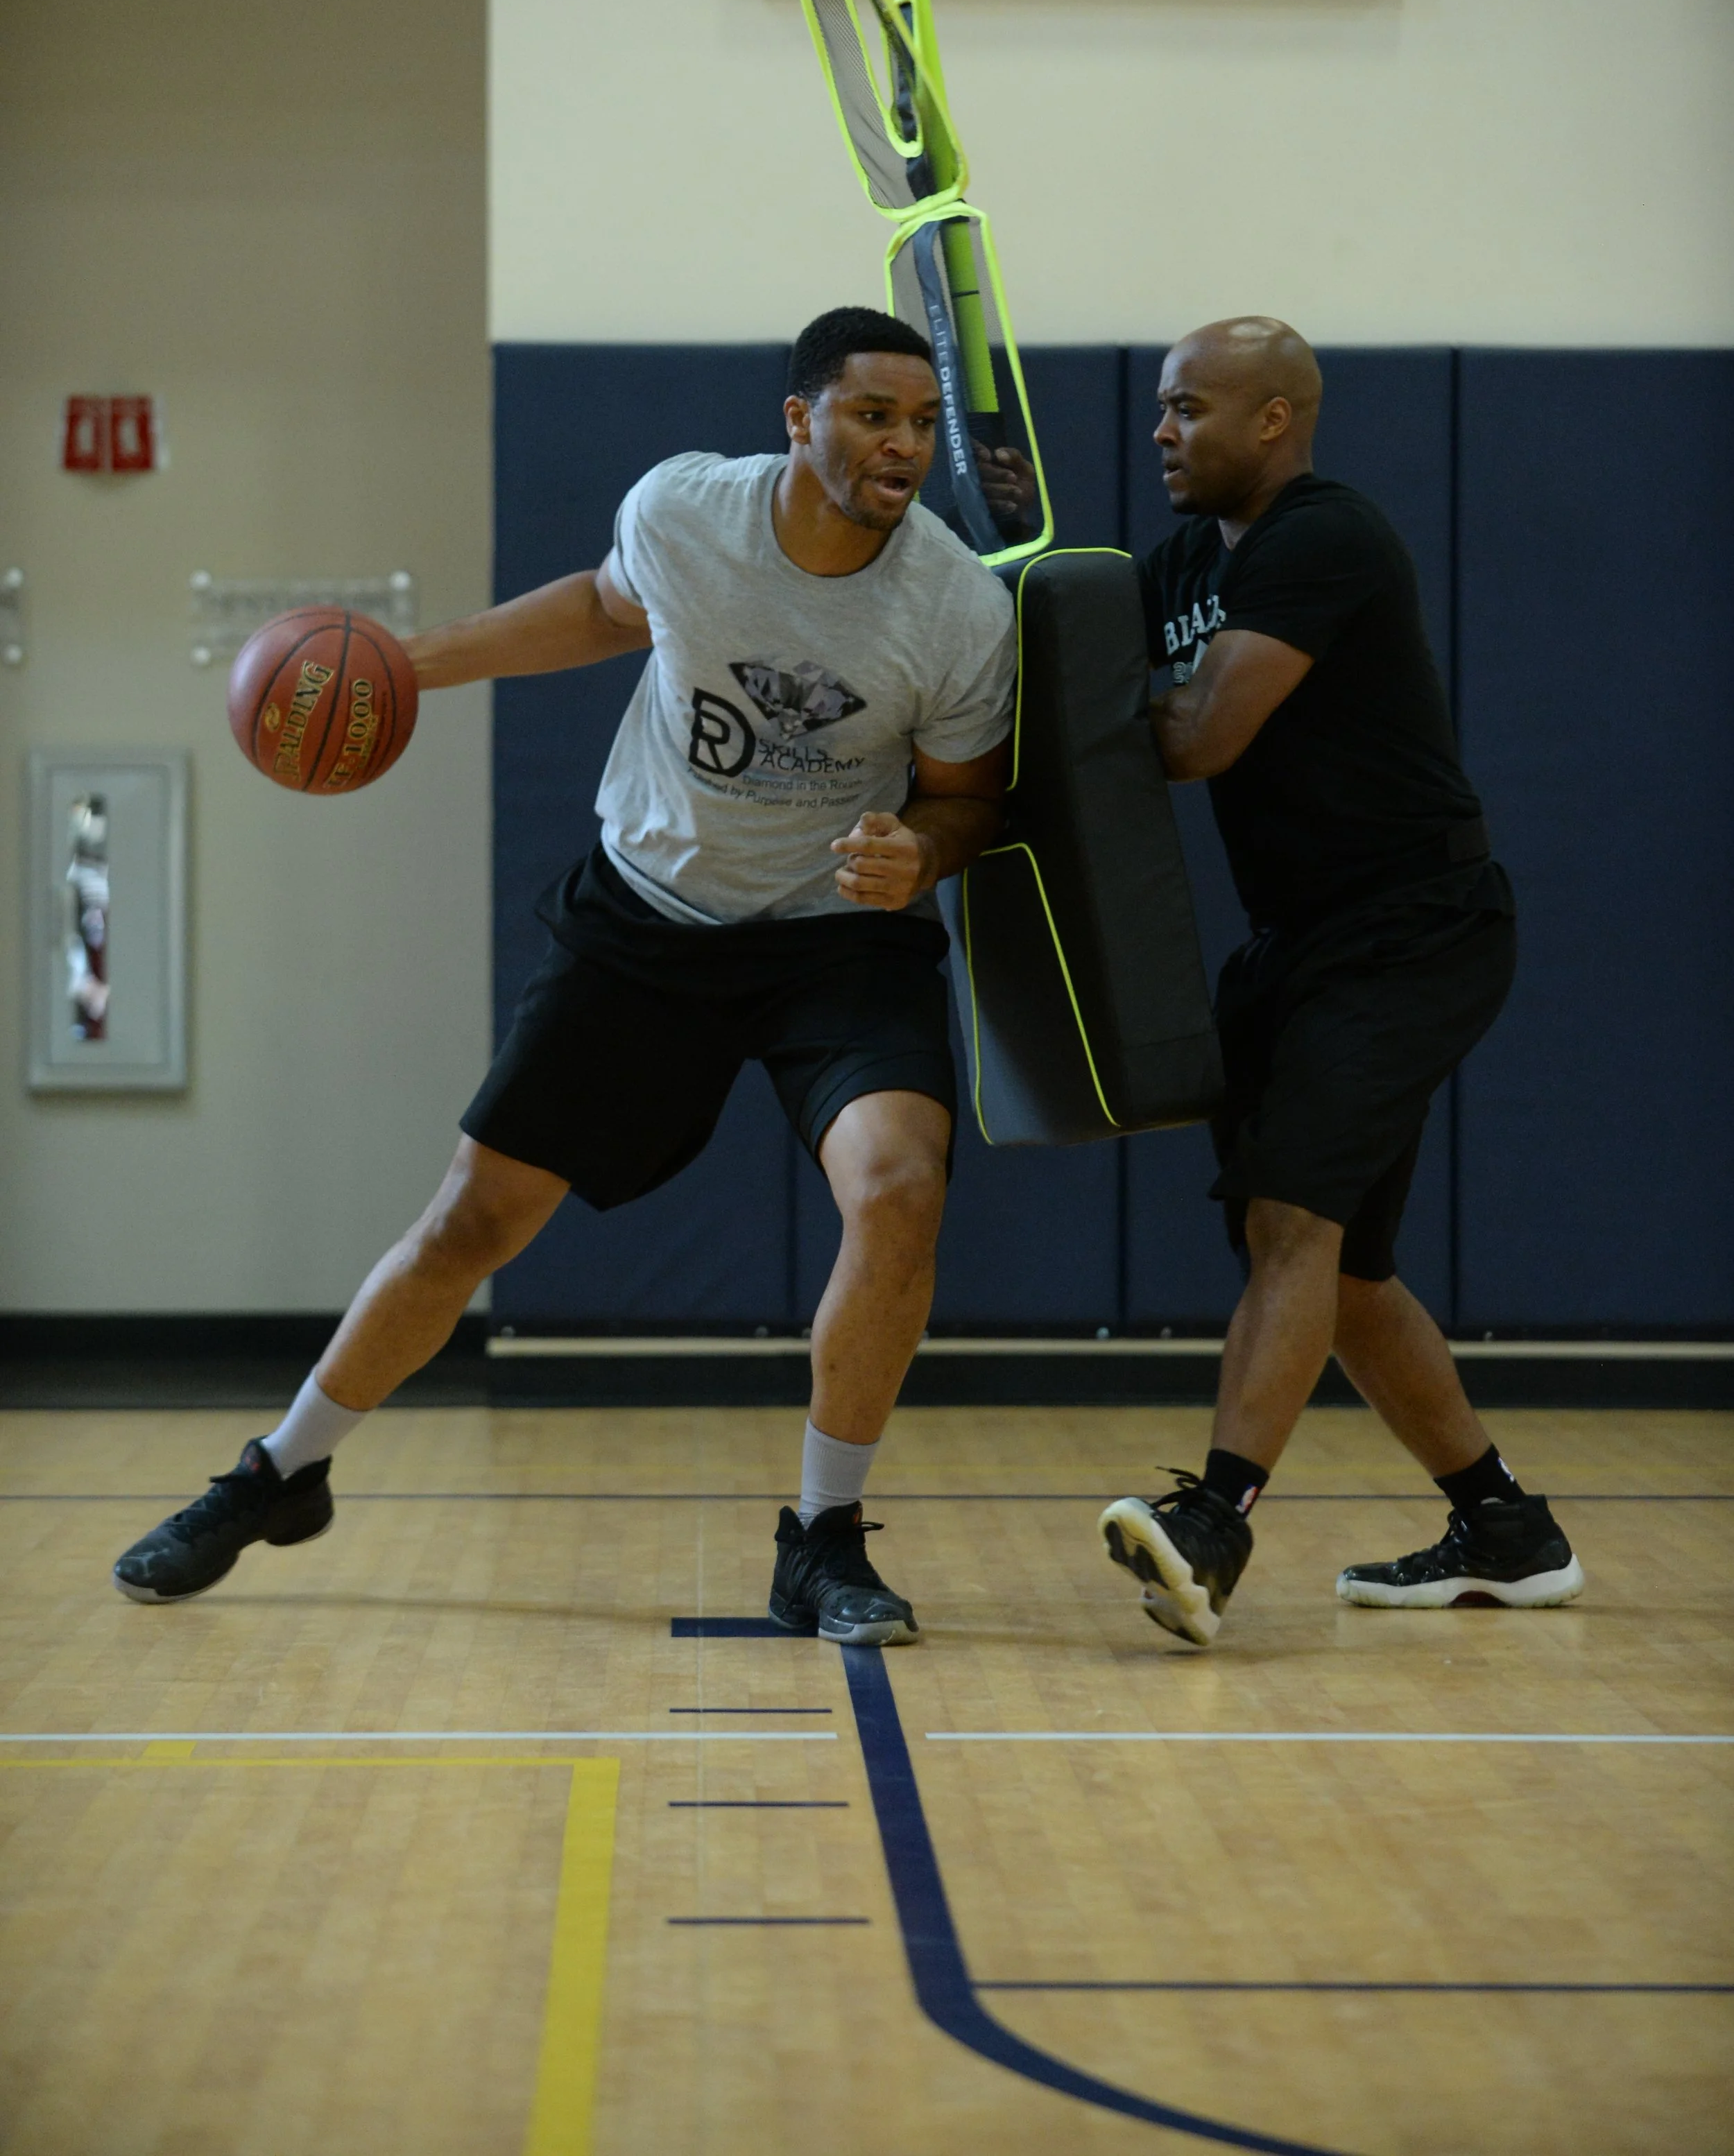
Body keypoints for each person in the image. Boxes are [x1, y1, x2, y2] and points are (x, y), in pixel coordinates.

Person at [114, 306, 1018, 1644]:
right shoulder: (686, 513)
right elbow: (604, 610)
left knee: (899, 1188)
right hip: (645, 918)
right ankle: (277, 1472)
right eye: (874, 415)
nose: (903, 444)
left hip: (833, 935)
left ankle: (823, 1537)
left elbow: (968, 798)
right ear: (801, 420)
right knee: (472, 1224)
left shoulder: (954, 601)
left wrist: (923, 852)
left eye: (922, 422)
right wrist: (411, 665)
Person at [1098, 317, 1583, 1646]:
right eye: (1158, 408)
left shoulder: (1326, 537)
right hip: (1296, 944)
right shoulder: (1187, 561)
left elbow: (1195, 736)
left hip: (1413, 925)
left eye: (1189, 408)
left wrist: (1104, 701)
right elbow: (1072, 653)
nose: (1162, 432)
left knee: (1294, 1221)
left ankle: (1216, 1519)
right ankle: (1502, 1525)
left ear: (1274, 418)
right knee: (1342, 1268)